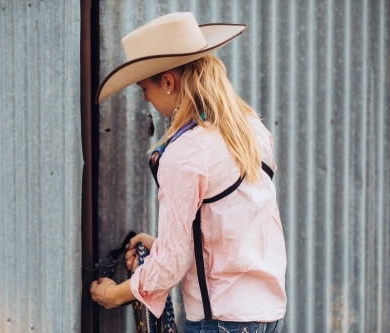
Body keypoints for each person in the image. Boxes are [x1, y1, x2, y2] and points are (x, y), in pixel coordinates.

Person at [90, 12, 286, 333]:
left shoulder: (185, 153)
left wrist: (114, 294)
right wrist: (163, 244)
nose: (146, 98)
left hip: (221, 320)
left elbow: (170, 266)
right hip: (265, 313)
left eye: (144, 88)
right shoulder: (251, 129)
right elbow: (232, 224)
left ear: (168, 82)